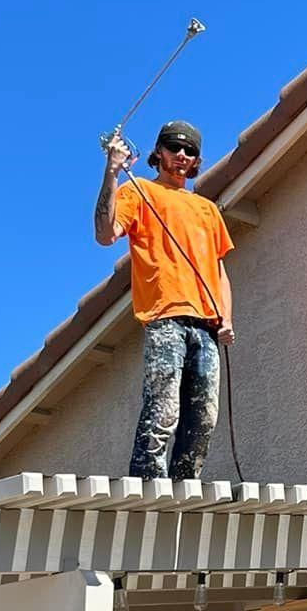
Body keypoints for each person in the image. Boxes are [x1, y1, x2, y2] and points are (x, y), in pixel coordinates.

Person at [95, 119, 235, 480]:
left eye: (191, 151)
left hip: (206, 326)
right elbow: (105, 233)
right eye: (175, 148)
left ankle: (184, 485)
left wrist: (227, 319)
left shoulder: (207, 209)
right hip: (165, 318)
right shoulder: (139, 191)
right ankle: (148, 484)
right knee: (164, 407)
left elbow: (218, 269)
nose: (183, 156)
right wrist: (112, 173)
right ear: (158, 153)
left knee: (204, 416)